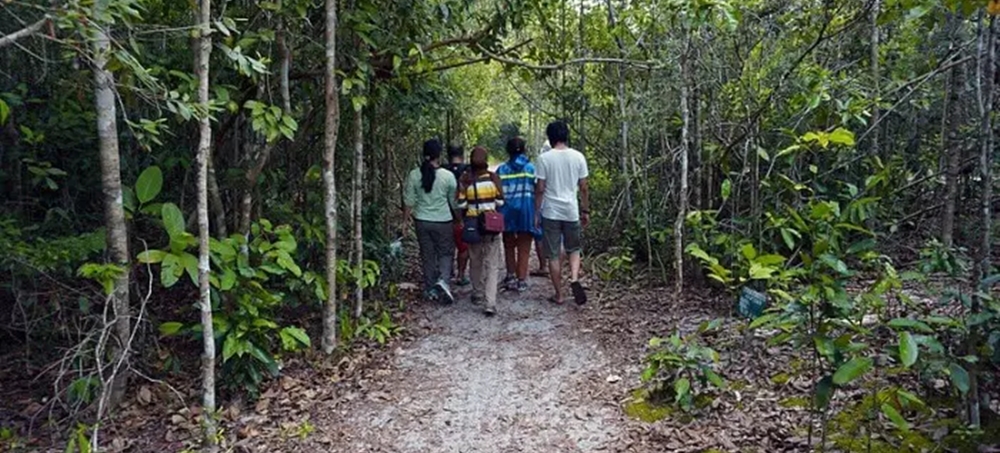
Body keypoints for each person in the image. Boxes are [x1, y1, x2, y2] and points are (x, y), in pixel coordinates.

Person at [535, 121, 589, 305]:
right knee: (574, 248)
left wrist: (536, 212)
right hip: (571, 210)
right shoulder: (578, 157)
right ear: (566, 136)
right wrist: (585, 210)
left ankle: (559, 294)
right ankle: (574, 278)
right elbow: (583, 187)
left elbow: (540, 188)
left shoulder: (544, 159)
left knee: (553, 254)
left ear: (550, 138)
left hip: (551, 211)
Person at [403, 139, 458, 304]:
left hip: (422, 221)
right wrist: (459, 219)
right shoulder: (447, 176)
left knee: (427, 255)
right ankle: (444, 281)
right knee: (446, 252)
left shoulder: (414, 174)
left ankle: (430, 289)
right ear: (439, 155)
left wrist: (405, 222)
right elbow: (454, 202)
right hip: (443, 221)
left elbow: (409, 202)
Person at [458, 146, 505, 316]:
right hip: (490, 226)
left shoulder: (468, 183)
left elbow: (461, 205)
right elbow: (500, 202)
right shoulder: (492, 180)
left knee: (475, 260)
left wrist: (462, 187)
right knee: (492, 264)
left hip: (473, 226)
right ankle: (490, 303)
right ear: (486, 162)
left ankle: (477, 292)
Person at [497, 137, 538, 292]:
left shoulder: (501, 169)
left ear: (508, 151)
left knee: (508, 244)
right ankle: (522, 280)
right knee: (524, 246)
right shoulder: (531, 168)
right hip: (526, 210)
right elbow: (538, 189)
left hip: (507, 210)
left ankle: (511, 276)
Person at [444, 145, 470, 287]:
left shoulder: (442, 170)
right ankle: (461, 275)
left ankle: (447, 273)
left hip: (444, 215)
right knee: (463, 247)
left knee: (447, 248)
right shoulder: (467, 170)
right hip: (463, 214)